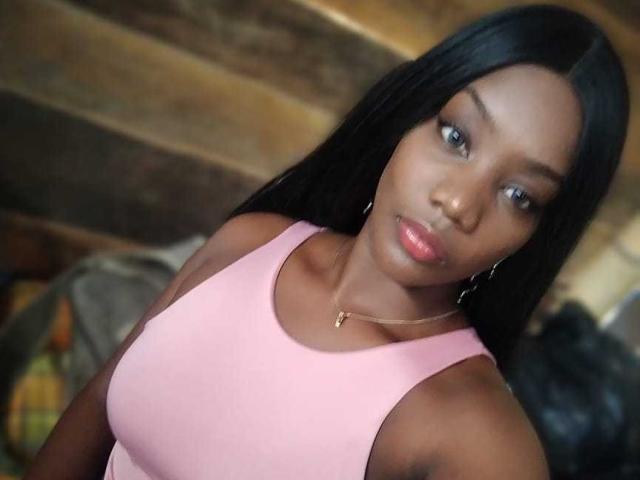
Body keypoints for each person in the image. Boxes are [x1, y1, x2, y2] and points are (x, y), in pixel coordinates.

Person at [25, 4, 628, 479]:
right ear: (409, 119)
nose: (457, 203)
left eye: (519, 195)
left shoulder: (477, 441)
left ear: (536, 236)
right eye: (455, 137)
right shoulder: (251, 242)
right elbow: (101, 401)